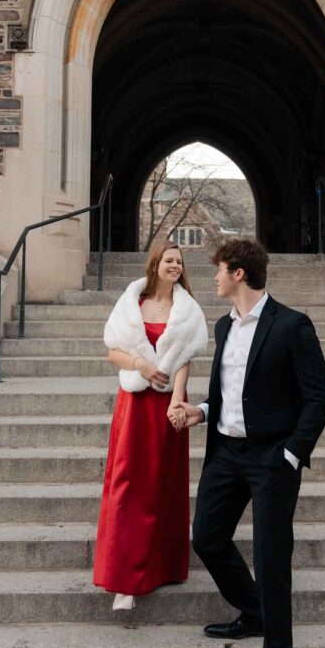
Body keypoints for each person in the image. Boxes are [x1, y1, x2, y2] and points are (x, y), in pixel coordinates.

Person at [176, 238, 325, 648]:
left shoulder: (292, 325)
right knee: (206, 536)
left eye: (220, 270)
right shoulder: (224, 325)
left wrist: (290, 453)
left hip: (272, 458)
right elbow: (227, 393)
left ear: (240, 273)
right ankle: (253, 610)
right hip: (226, 452)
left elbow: (319, 398)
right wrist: (199, 412)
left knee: (271, 558)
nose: (214, 278)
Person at [93, 240, 208, 610]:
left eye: (180, 262)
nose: (175, 266)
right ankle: (124, 578)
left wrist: (178, 399)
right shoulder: (132, 305)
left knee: (161, 484)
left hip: (166, 406)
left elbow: (187, 358)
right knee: (128, 485)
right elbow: (112, 351)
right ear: (156, 263)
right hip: (134, 405)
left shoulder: (187, 309)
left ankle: (163, 566)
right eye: (169, 260)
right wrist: (140, 365)